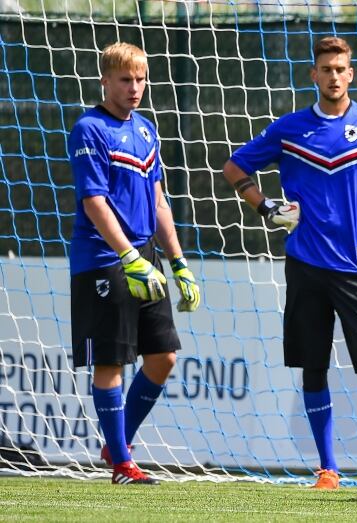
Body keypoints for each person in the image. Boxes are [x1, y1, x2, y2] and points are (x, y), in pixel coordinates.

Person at [223, 36, 357, 491]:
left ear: (350, 75)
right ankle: (327, 470)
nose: (334, 76)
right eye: (326, 69)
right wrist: (265, 207)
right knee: (313, 366)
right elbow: (235, 167)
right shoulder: (289, 129)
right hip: (306, 266)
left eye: (341, 69)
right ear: (313, 75)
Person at [68, 42, 201, 485]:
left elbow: (159, 201)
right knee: (111, 363)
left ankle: (117, 441)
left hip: (146, 257)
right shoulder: (89, 129)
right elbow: (93, 202)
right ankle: (122, 464)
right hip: (105, 258)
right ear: (105, 81)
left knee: (163, 358)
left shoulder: (146, 130)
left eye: (141, 79)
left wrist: (178, 263)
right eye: (125, 79)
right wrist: (127, 256)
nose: (135, 87)